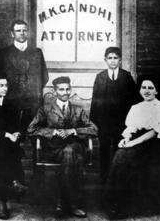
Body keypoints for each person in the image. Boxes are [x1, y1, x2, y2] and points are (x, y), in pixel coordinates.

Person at [27, 76, 97, 218]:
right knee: (70, 155)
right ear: (54, 91)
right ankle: (71, 203)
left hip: (76, 146)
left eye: (67, 89)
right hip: (54, 149)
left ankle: (61, 202)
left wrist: (74, 131)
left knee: (70, 151)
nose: (65, 92)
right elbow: (31, 129)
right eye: (61, 89)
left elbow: (94, 129)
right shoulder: (45, 109)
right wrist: (52, 132)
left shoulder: (78, 110)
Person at [104, 76, 160, 218]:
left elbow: (154, 131)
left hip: (153, 143)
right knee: (119, 155)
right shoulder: (136, 107)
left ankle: (131, 207)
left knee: (127, 157)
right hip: (136, 139)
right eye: (144, 87)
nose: (146, 91)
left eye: (150, 88)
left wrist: (134, 143)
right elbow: (131, 128)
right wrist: (126, 139)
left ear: (156, 91)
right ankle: (114, 204)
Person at [90, 46, 140, 182]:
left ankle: (118, 178)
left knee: (120, 148)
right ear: (105, 60)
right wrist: (94, 122)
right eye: (110, 58)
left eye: (115, 58)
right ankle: (104, 177)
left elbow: (135, 100)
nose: (113, 61)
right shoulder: (100, 77)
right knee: (104, 149)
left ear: (120, 60)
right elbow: (95, 101)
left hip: (122, 122)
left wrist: (132, 122)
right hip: (104, 122)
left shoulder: (126, 76)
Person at [0, 73, 27, 219]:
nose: (5, 88)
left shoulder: (11, 105)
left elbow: (17, 126)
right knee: (4, 149)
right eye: (1, 85)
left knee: (4, 152)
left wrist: (17, 134)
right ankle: (13, 182)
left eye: (6, 85)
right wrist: (8, 135)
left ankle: (2, 201)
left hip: (7, 145)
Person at [0, 19, 48, 135]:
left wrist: (33, 91)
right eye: (18, 31)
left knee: (34, 135)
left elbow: (44, 77)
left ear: (28, 33)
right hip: (11, 101)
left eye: (24, 30)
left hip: (33, 103)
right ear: (12, 34)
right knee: (12, 135)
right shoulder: (4, 54)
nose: (22, 33)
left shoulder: (37, 53)